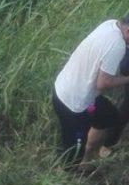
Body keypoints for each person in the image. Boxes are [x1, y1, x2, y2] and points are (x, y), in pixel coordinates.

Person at [52, 15, 129, 165]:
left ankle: (89, 154)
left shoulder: (110, 24)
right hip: (73, 103)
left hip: (74, 89)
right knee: (73, 152)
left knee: (108, 117)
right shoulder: (117, 46)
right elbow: (103, 83)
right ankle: (70, 173)